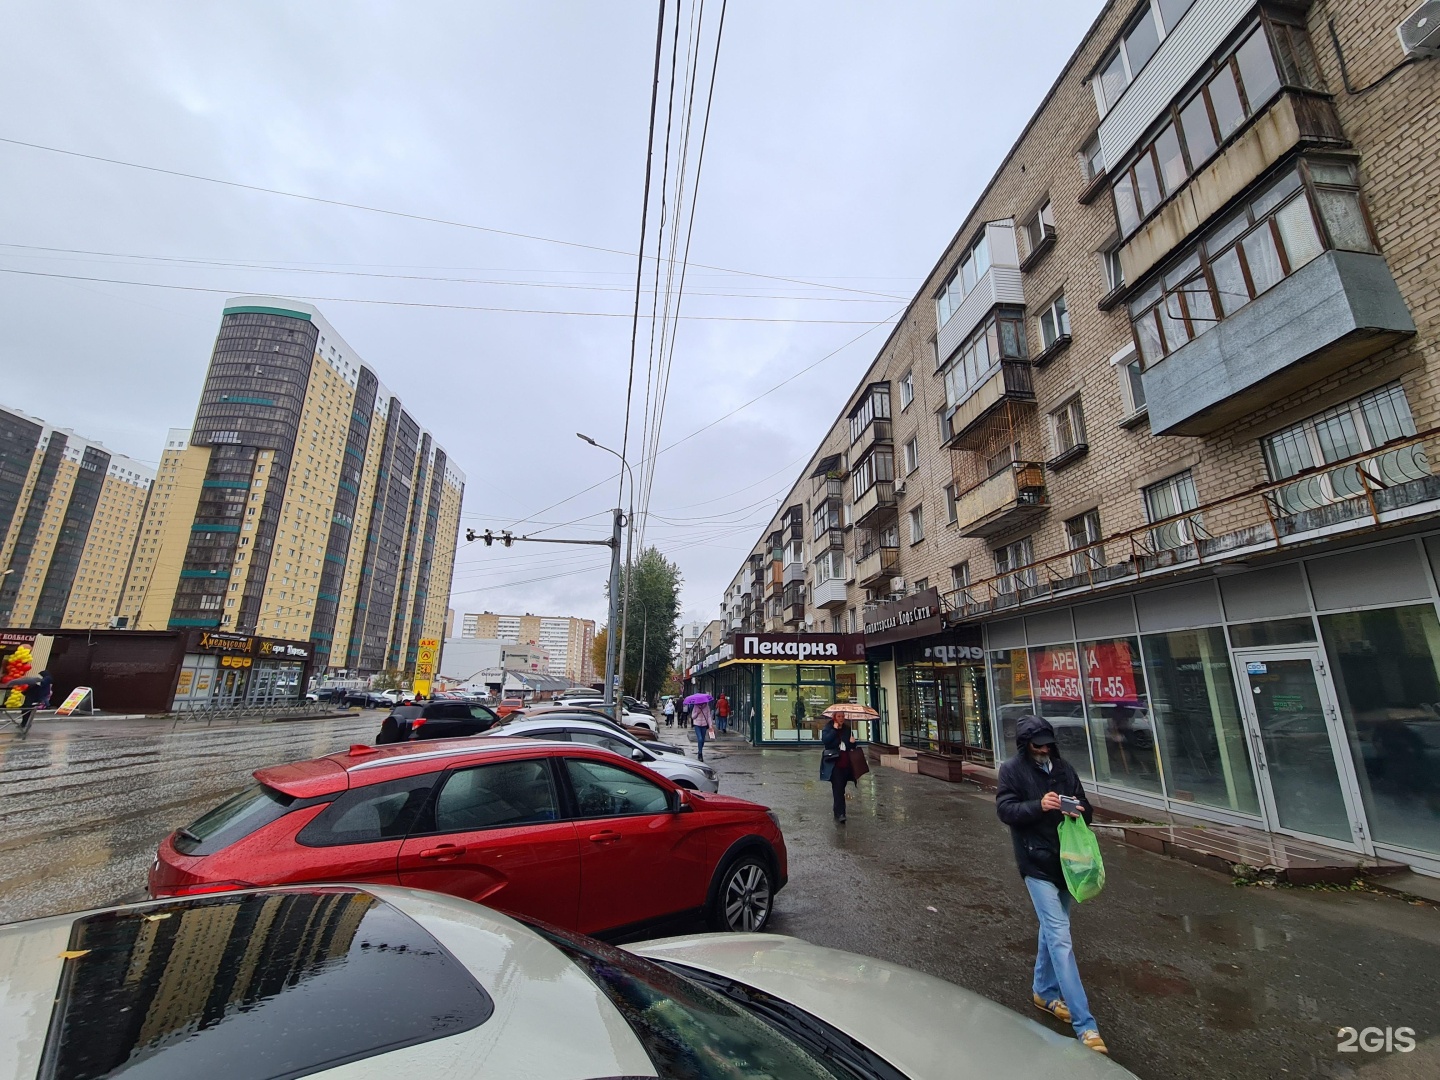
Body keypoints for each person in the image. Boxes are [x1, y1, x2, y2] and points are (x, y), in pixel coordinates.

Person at [995, 714, 1107, 1056]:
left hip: (1068, 863)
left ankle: (1044, 992)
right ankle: (1085, 1025)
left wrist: (1078, 810)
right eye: (1037, 745)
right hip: (1035, 863)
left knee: (1052, 928)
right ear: (1025, 744)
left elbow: (1087, 808)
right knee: (1060, 936)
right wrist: (1039, 805)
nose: (1044, 750)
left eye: (1047, 744)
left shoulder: (1064, 768)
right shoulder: (1012, 770)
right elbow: (1005, 810)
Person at [819, 712, 857, 823]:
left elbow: (851, 746)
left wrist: (853, 743)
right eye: (839, 716)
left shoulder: (847, 729)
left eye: (843, 716)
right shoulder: (828, 728)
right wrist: (834, 730)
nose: (841, 718)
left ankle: (837, 810)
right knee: (838, 788)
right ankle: (841, 813)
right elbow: (826, 741)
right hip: (834, 763)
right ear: (834, 717)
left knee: (841, 788)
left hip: (846, 762)